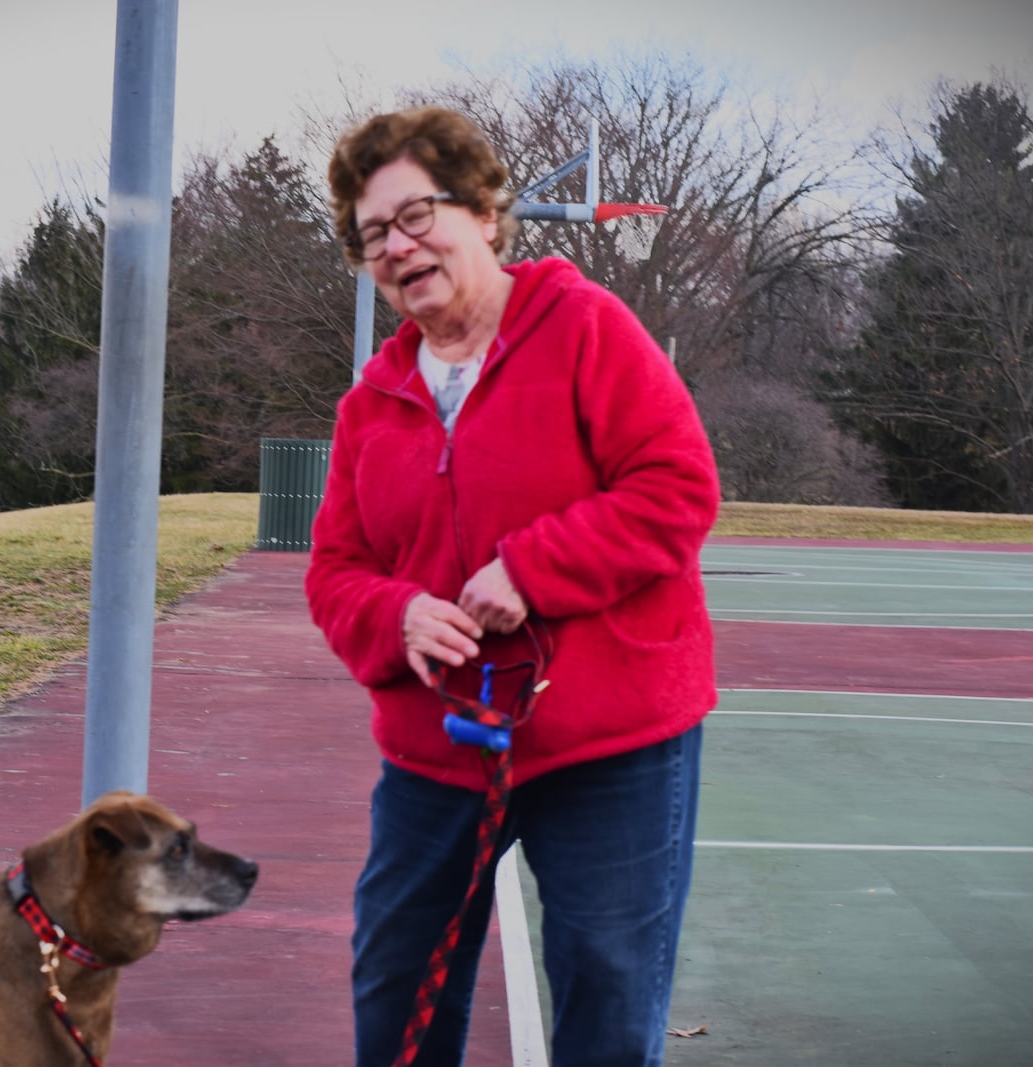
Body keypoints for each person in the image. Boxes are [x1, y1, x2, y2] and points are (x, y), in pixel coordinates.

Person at [304, 106, 721, 1067]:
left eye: (417, 216)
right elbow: (336, 572)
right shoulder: (371, 403)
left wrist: (532, 569)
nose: (399, 247)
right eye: (374, 236)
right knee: (397, 986)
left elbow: (677, 488)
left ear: (485, 212)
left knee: (606, 996)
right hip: (438, 748)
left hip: (610, 743)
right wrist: (397, 612)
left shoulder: (584, 329)